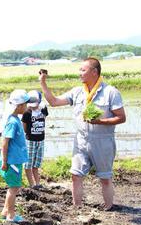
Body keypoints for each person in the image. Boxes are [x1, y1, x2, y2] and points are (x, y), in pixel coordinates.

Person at [39, 58, 126, 210]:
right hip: (81, 139)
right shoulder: (77, 92)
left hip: (102, 140)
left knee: (105, 177)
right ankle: (77, 207)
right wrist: (43, 83)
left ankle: (108, 206)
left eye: (83, 70)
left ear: (94, 72)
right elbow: (54, 102)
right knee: (75, 175)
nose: (80, 73)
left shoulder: (110, 92)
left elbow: (121, 117)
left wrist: (100, 122)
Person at [0, 90, 31, 223]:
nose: (27, 107)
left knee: (14, 187)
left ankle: (5, 211)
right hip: (11, 161)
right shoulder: (12, 122)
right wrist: (5, 161)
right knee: (13, 188)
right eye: (25, 104)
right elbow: (5, 143)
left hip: (14, 160)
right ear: (18, 106)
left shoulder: (15, 119)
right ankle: (11, 215)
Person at [21, 90, 49, 189]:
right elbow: (24, 127)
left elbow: (44, 119)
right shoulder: (27, 113)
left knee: (36, 163)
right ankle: (32, 184)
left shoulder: (43, 109)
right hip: (30, 141)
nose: (33, 106)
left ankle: (37, 183)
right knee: (28, 164)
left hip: (41, 140)